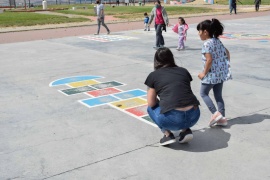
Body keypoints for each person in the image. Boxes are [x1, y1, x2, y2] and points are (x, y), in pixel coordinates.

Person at [145, 47, 200, 146]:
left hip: (172, 120)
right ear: (171, 58)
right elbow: (183, 93)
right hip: (194, 116)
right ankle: (186, 130)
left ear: (156, 61)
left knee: (150, 108)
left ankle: (167, 135)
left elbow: (151, 102)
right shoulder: (183, 71)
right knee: (182, 102)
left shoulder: (153, 75)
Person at [197, 19, 232, 127]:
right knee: (218, 96)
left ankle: (215, 114)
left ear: (205, 32)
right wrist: (224, 66)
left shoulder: (207, 44)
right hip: (220, 74)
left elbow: (209, 60)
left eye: (199, 31)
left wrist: (203, 73)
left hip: (211, 75)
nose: (199, 34)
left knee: (203, 93)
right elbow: (227, 53)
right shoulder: (217, 41)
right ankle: (223, 118)